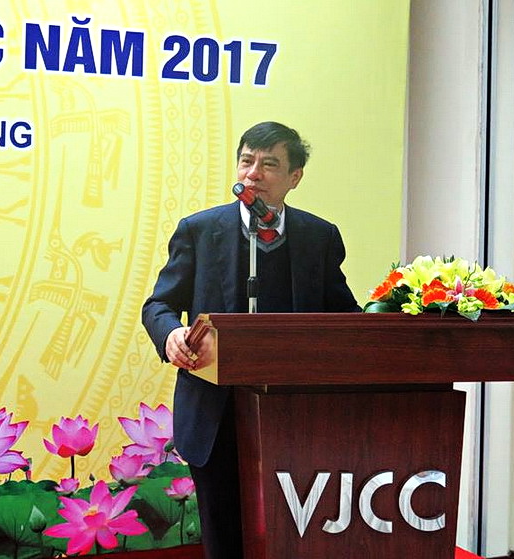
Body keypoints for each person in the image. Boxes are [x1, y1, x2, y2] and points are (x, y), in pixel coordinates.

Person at [141, 121, 361, 558]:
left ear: (295, 177)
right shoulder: (200, 230)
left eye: (269, 164)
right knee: (224, 537)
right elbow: (158, 305)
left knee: (290, 537)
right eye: (247, 161)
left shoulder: (319, 236)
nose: (254, 173)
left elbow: (345, 316)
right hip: (215, 411)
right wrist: (172, 335)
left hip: (295, 411)